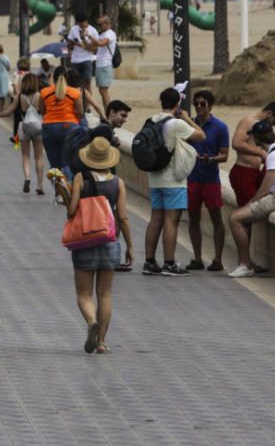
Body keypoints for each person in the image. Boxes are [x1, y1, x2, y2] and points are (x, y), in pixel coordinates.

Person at [67, 138, 133, 355]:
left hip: (85, 241)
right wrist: (130, 246)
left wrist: (65, 192)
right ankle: (102, 342)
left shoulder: (80, 178)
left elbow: (71, 210)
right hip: (110, 241)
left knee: (84, 294)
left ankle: (91, 321)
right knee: (105, 294)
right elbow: (122, 217)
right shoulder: (118, 183)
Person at [141, 88, 205, 277]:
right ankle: (169, 263)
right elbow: (201, 135)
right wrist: (186, 117)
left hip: (155, 177)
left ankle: (149, 261)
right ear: (178, 103)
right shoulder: (176, 123)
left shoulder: (151, 120)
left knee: (155, 220)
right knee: (171, 221)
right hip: (173, 180)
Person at [227, 120, 275, 278]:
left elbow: (265, 189)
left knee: (235, 219)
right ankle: (245, 263)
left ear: (258, 138)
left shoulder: (274, 156)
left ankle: (245, 265)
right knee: (242, 216)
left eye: (254, 137)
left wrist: (249, 204)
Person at [185, 90, 230, 272]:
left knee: (216, 218)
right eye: (196, 103)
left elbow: (225, 156)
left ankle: (218, 259)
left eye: (202, 104)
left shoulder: (220, 127)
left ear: (210, 106)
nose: (198, 107)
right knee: (193, 218)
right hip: (192, 178)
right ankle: (197, 258)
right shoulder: (189, 126)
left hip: (211, 178)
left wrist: (210, 159)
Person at [0, 73, 46, 195]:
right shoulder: (40, 96)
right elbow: (44, 112)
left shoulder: (20, 96)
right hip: (38, 126)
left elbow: (9, 111)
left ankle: (27, 178)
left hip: (24, 127)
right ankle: (39, 185)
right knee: (39, 157)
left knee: (25, 156)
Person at [229, 102, 275, 208]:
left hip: (256, 172)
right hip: (244, 172)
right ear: (269, 114)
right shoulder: (248, 121)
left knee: (257, 209)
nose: (274, 125)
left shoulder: (263, 127)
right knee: (247, 210)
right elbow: (236, 143)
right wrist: (261, 153)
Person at [38, 66, 83, 171]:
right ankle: (69, 185)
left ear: (53, 78)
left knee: (54, 166)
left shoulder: (44, 92)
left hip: (49, 128)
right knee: (67, 162)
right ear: (67, 78)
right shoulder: (75, 93)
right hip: (69, 127)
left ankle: (57, 186)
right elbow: (80, 113)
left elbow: (42, 111)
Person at [66, 13, 99, 97]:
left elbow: (94, 48)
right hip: (75, 60)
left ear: (86, 21)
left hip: (87, 59)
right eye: (78, 23)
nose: (80, 25)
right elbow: (69, 45)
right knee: (74, 83)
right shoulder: (74, 29)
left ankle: (88, 106)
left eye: (82, 23)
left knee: (87, 83)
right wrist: (72, 44)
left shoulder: (93, 31)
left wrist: (83, 42)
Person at [93, 15, 117, 109]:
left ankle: (109, 112)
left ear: (107, 24)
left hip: (105, 64)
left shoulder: (109, 33)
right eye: (97, 24)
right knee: (101, 90)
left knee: (103, 90)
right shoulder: (101, 34)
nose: (98, 26)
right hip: (100, 64)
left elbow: (101, 44)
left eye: (100, 24)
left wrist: (90, 37)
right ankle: (107, 110)